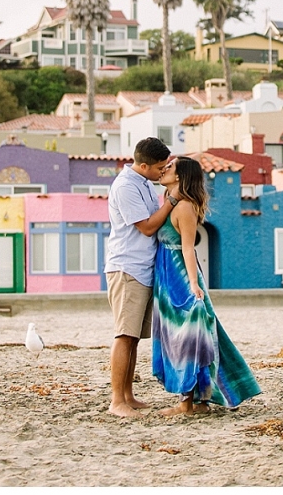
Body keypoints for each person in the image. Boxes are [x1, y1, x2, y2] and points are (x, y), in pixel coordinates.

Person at [152, 155, 261, 416]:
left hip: (179, 276)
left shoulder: (184, 207)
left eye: (170, 167)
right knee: (184, 335)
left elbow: (189, 249)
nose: (164, 169)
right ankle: (200, 400)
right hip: (167, 275)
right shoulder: (171, 202)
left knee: (187, 336)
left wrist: (192, 284)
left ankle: (187, 404)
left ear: (179, 176)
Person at [104, 136, 182, 418]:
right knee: (124, 335)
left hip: (143, 269)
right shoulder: (126, 187)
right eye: (160, 167)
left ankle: (127, 394)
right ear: (145, 165)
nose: (163, 171)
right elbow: (147, 227)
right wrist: (172, 200)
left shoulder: (144, 185)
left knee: (134, 337)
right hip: (127, 268)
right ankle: (116, 400)